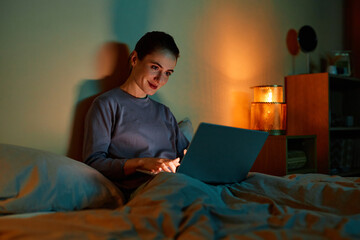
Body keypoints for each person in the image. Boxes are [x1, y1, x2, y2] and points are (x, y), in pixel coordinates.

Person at [83, 31, 189, 200]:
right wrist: (142, 162)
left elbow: (186, 155)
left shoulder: (164, 112)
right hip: (147, 190)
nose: (160, 79)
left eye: (168, 73)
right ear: (134, 59)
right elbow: (94, 161)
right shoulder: (107, 104)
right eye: (155, 67)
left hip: (179, 182)